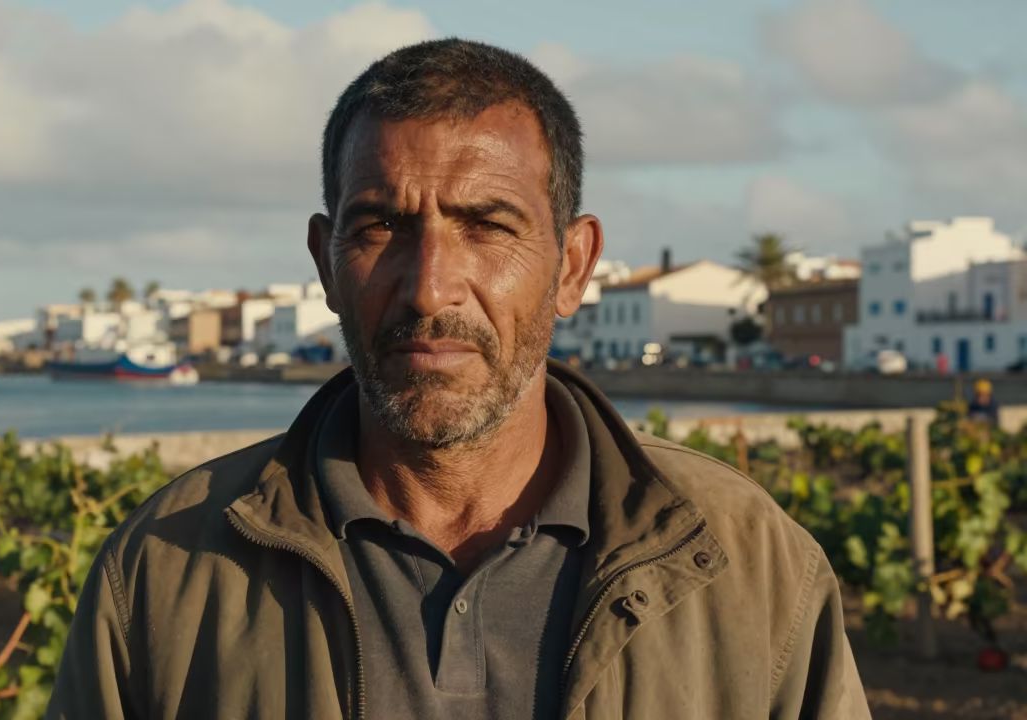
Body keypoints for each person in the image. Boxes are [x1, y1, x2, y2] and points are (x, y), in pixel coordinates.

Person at [46, 39, 870, 719]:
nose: (430, 285)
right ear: (325, 263)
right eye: (381, 227)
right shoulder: (164, 571)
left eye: (486, 226)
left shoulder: (748, 564)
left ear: (574, 265)